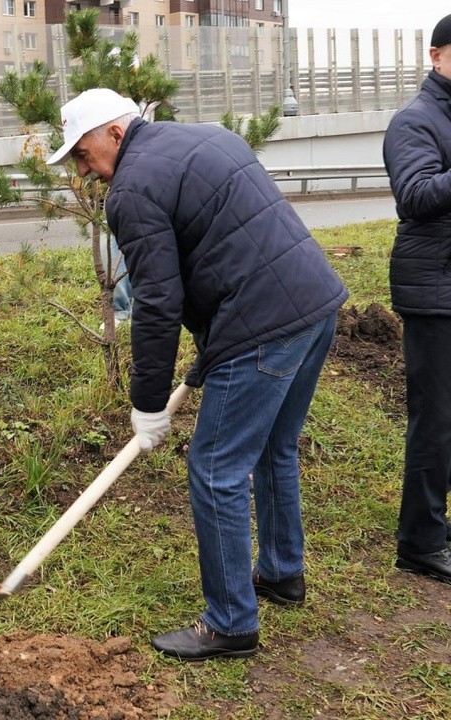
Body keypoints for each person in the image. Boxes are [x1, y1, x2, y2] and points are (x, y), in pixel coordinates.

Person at [47, 88, 347, 661]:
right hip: (314, 305)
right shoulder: (205, 137)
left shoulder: (132, 189)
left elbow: (158, 301)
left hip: (264, 325)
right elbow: (233, 250)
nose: (85, 172)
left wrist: (148, 402)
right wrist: (213, 347)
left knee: (215, 468)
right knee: (273, 448)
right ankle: (282, 572)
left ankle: (232, 621)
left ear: (114, 131)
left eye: (83, 154)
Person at [383, 13, 451, 585]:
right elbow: (417, 195)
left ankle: (436, 524)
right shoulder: (414, 121)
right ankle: (420, 542)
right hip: (434, 291)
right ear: (436, 56)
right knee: (435, 420)